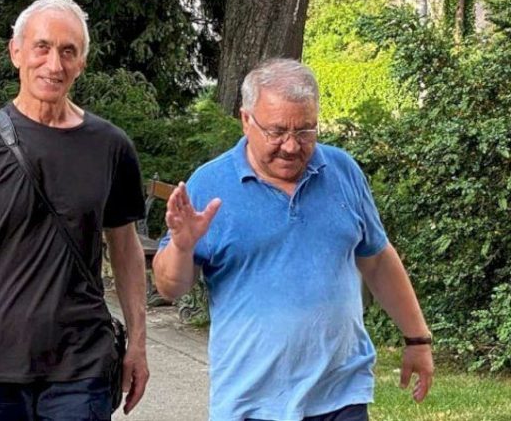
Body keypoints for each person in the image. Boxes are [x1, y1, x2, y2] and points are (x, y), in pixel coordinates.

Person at [153, 58, 434, 421]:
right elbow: (170, 287)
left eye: (304, 131)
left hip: (341, 396)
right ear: (246, 120)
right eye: (276, 131)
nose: (290, 146)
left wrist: (417, 339)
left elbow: (377, 260)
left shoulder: (342, 171)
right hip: (251, 404)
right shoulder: (210, 184)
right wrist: (182, 246)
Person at [0, 0, 149, 421]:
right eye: (42, 47)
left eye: (68, 51)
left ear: (82, 63)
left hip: (82, 362)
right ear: (16, 52)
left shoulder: (110, 146)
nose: (54, 64)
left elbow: (126, 248)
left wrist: (138, 343)